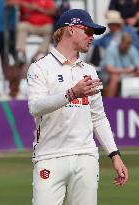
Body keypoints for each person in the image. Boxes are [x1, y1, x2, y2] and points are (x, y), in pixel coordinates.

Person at [27, 9, 128, 205]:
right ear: (71, 30)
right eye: (88, 32)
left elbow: (98, 117)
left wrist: (114, 155)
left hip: (86, 156)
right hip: (50, 155)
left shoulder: (89, 71)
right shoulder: (40, 67)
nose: (92, 38)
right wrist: (71, 93)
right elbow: (35, 107)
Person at [101, 32, 139, 97]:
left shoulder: (131, 49)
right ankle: (109, 104)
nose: (126, 48)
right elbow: (109, 68)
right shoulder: (111, 49)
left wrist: (138, 70)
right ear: (120, 42)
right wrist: (124, 71)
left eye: (128, 46)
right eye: (125, 46)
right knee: (114, 77)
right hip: (109, 74)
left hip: (127, 74)